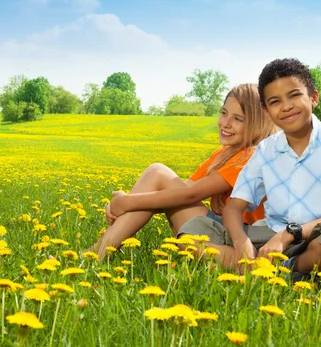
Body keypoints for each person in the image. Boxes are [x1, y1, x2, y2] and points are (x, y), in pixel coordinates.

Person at [178, 58, 321, 278]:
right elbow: (234, 207)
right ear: (267, 112)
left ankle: (271, 269)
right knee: (192, 232)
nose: (286, 106)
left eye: (294, 95)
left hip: (315, 237)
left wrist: (287, 235)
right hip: (266, 234)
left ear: (313, 97)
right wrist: (241, 241)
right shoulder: (266, 150)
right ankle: (273, 270)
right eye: (275, 101)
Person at [90, 83, 275, 258]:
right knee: (157, 174)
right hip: (219, 230)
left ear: (258, 124)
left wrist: (128, 202)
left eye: (238, 119)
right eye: (224, 113)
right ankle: (99, 251)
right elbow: (176, 192)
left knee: (158, 174)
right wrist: (127, 200)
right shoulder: (224, 154)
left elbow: (189, 195)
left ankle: (97, 253)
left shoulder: (251, 157)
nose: (225, 123)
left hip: (244, 238)